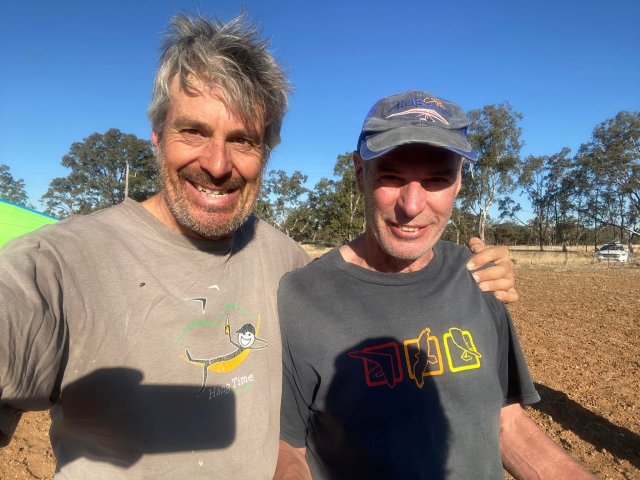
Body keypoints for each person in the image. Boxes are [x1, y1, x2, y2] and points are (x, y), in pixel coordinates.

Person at [0, 16, 515, 480]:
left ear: (266, 152)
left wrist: (473, 271)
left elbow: (374, 313)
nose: (217, 164)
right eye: (193, 132)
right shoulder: (59, 267)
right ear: (157, 137)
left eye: (243, 140)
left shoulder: (283, 261)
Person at [275, 90, 596, 479]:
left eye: (437, 180)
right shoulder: (301, 298)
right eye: (391, 176)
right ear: (360, 174)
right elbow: (287, 447)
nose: (412, 206)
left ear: (458, 182)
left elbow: (504, 422)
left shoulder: (479, 275)